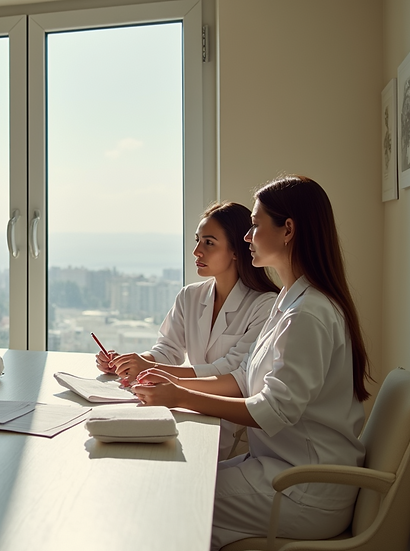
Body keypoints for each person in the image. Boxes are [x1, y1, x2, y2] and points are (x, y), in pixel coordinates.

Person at [131, 176, 370, 549]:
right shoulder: (289, 299)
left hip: (304, 489)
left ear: (287, 229)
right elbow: (243, 378)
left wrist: (179, 396)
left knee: (171, 499)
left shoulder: (307, 313)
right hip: (280, 470)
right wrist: (170, 386)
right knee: (174, 483)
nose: (247, 237)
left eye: (256, 225)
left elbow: (272, 409)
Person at [96, 202, 279, 457]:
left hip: (232, 432)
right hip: (187, 411)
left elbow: (232, 372)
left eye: (209, 243)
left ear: (237, 250)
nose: (196, 251)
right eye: (197, 241)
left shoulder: (266, 305)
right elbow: (167, 349)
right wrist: (131, 362)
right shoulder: (190, 296)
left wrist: (150, 369)